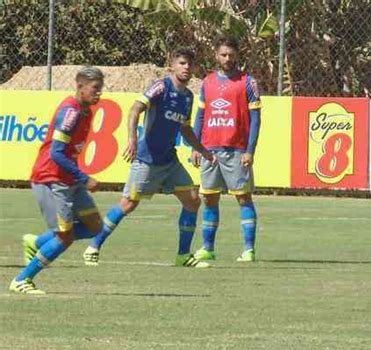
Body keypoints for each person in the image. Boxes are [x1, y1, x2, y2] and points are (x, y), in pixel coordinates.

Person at [82, 48, 216, 268]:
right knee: (128, 204)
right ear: (171, 65)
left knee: (193, 200)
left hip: (169, 161)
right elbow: (136, 109)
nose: (186, 67)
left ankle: (183, 255)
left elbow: (185, 129)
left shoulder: (188, 97)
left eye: (190, 64)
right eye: (181, 63)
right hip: (147, 159)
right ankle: (93, 246)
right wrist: (133, 139)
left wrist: (203, 150)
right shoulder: (161, 86)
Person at [10, 67, 105, 295]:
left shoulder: (86, 111)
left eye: (100, 88)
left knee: (95, 226)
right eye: (94, 88)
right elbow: (56, 153)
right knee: (65, 236)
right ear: (79, 86)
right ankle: (22, 279)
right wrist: (85, 177)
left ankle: (37, 242)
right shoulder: (70, 113)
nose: (98, 93)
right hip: (51, 179)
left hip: (68, 179)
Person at [191, 34, 262, 262]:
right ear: (216, 55)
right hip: (210, 150)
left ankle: (249, 250)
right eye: (223, 54)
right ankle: (208, 248)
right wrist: (195, 146)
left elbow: (256, 119)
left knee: (243, 198)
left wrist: (250, 150)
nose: (228, 58)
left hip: (237, 150)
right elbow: (201, 116)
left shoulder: (247, 82)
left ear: (238, 55)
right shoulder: (207, 81)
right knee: (209, 199)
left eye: (231, 54)